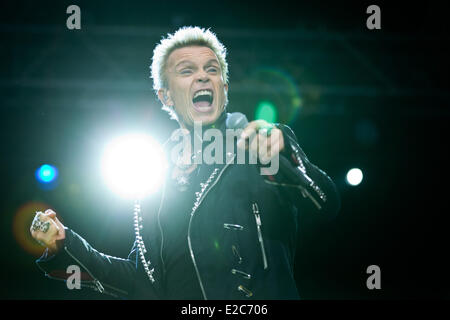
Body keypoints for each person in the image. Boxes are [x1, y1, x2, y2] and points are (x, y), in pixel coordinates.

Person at [30, 26, 340, 300]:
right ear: (165, 96)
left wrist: (285, 160)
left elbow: (326, 204)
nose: (203, 75)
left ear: (224, 88)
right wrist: (65, 244)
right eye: (186, 70)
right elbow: (142, 282)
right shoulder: (154, 180)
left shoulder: (257, 144)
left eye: (212, 69)